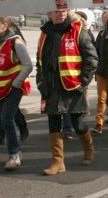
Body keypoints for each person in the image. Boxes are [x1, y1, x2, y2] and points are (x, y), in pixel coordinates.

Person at [36, 9, 98, 175]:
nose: (61, 14)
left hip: (72, 86)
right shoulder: (44, 34)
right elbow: (40, 61)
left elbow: (92, 59)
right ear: (49, 14)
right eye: (57, 11)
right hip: (51, 87)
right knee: (53, 123)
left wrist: (83, 83)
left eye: (64, 10)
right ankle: (58, 162)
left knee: (78, 124)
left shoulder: (78, 31)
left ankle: (89, 150)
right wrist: (40, 82)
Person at [0, 15, 33, 170]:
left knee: (7, 118)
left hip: (13, 88)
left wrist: (17, 82)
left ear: (4, 25)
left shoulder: (15, 43)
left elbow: (28, 65)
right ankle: (15, 150)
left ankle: (14, 154)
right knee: (3, 120)